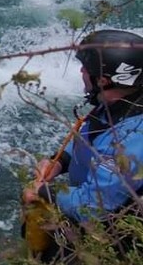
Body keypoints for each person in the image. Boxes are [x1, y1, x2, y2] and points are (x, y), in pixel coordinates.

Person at [23, 29, 143, 228]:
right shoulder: (120, 104)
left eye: (86, 69)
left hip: (111, 225)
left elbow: (94, 207)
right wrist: (61, 160)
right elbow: (94, 139)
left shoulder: (131, 142)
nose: (81, 72)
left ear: (103, 80)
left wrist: (45, 192)